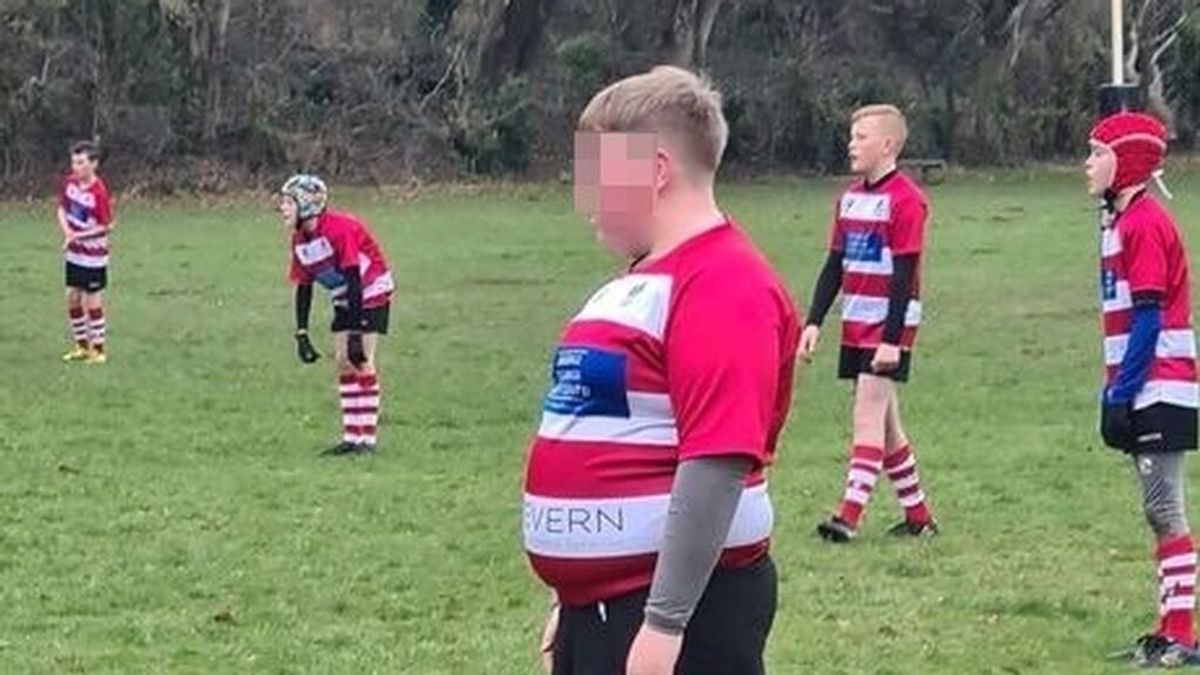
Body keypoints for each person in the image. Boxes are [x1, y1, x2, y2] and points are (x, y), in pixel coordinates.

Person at [522, 65, 800, 675]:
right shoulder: (639, 282)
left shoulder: (724, 284)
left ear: (654, 171)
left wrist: (664, 623)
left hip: (678, 616)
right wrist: (570, 598)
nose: (584, 195)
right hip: (602, 610)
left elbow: (718, 461)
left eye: (596, 172)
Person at [1088, 112, 1199, 668]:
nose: (1086, 164)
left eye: (1096, 153)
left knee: (1164, 509)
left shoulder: (1144, 224)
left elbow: (1150, 318)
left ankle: (1180, 634)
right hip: (1141, 385)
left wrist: (1119, 392)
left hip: (1160, 386)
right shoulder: (1118, 220)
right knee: (1158, 511)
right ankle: (1169, 629)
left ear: (1125, 162)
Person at [801, 105, 938, 542]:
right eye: (851, 136)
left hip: (886, 327)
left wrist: (892, 341)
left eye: (861, 137)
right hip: (856, 321)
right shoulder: (849, 198)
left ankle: (849, 516)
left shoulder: (907, 201)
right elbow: (835, 263)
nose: (851, 144)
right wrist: (814, 321)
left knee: (866, 415)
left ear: (889, 145)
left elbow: (904, 275)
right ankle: (919, 518)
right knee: (886, 425)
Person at [279, 174, 395, 456]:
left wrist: (356, 332)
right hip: (345, 296)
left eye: (287, 202)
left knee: (361, 360)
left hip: (370, 290)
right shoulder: (300, 240)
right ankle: (350, 437)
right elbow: (303, 286)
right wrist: (301, 333)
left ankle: (366, 440)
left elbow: (355, 279)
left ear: (306, 205)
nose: (282, 208)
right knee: (343, 362)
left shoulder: (340, 229)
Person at [59, 141, 114, 365]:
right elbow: (61, 209)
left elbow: (107, 225)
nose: (76, 167)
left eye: (81, 162)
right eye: (74, 161)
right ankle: (81, 346)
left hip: (94, 255)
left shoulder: (99, 192)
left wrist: (78, 236)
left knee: (92, 300)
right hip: (74, 253)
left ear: (94, 164)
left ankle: (98, 350)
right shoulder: (69, 183)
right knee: (72, 297)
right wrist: (68, 233)